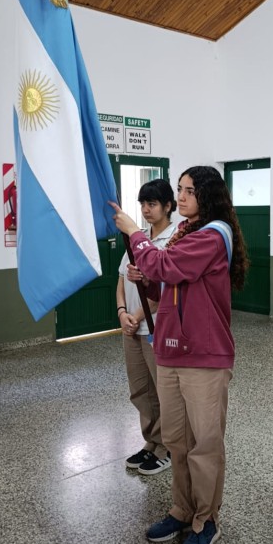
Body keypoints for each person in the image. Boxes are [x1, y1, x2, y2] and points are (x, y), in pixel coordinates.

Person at [111, 166, 248, 544]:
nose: (182, 196)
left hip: (203, 357)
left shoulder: (213, 234)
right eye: (182, 190)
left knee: (204, 444)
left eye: (189, 191)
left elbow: (171, 267)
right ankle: (182, 509)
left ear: (208, 195)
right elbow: (171, 283)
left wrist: (134, 233)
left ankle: (206, 519)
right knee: (177, 440)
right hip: (171, 351)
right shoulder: (188, 233)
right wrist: (147, 281)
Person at [117, 179, 177, 476]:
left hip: (156, 327)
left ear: (168, 206)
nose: (146, 209)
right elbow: (121, 281)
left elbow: (163, 292)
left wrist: (137, 316)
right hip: (132, 327)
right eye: (142, 204)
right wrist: (121, 313)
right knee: (141, 390)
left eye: (152, 204)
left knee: (163, 390)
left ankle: (169, 448)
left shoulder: (174, 239)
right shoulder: (136, 238)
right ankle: (151, 442)